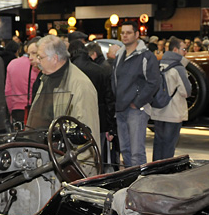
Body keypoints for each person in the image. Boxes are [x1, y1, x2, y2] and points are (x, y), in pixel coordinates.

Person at [26, 34, 99, 137]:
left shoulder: (81, 85)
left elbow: (87, 131)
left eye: (40, 57)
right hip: (42, 147)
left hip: (63, 150)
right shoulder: (46, 77)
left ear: (55, 58)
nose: (37, 61)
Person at [112, 21, 160, 167]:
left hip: (136, 111)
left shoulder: (146, 56)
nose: (125, 36)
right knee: (125, 150)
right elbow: (114, 80)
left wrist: (137, 102)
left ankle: (139, 184)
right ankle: (129, 182)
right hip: (120, 109)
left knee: (136, 153)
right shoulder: (119, 55)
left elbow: (154, 82)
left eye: (128, 33)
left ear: (137, 35)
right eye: (123, 33)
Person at [144, 36, 191, 161]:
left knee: (158, 144)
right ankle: (165, 174)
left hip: (157, 110)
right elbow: (187, 92)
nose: (185, 52)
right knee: (169, 146)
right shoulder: (178, 68)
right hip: (173, 113)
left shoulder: (159, 64)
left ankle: (155, 171)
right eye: (183, 49)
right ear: (175, 50)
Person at [72, 40, 116, 168]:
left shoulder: (71, 70)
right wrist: (110, 126)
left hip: (74, 117)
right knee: (96, 152)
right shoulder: (100, 70)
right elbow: (109, 98)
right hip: (99, 119)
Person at [5, 37, 39, 125]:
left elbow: (8, 91)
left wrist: (10, 111)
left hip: (16, 109)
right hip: (33, 110)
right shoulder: (37, 67)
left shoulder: (12, 64)